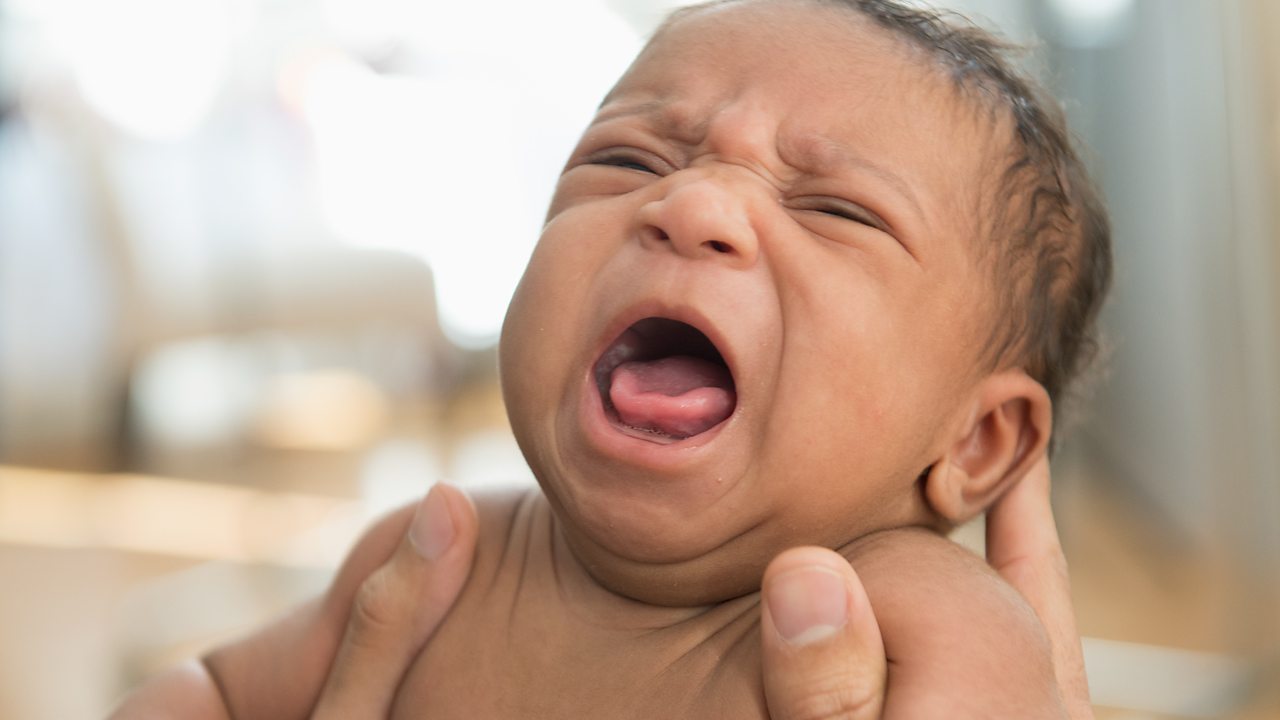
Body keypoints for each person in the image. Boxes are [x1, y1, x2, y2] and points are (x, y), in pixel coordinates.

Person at [112, 0, 1109, 717]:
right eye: (625, 160)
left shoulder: (917, 622)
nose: (692, 206)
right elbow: (219, 693)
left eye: (831, 208)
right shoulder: (436, 565)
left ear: (975, 441)